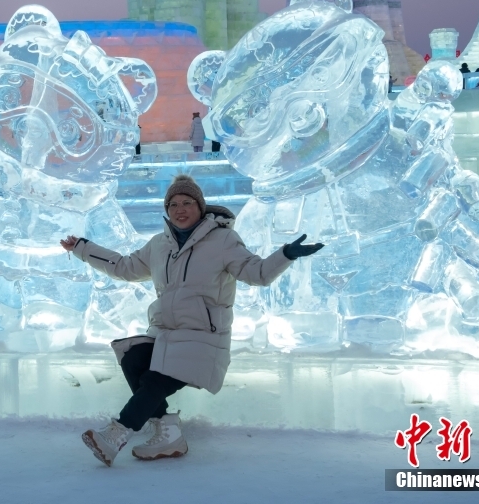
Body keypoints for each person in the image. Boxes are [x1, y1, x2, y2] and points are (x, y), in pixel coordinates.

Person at [60, 174, 324, 466]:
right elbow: (124, 266)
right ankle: (168, 432)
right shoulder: (159, 244)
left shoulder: (223, 240)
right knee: (133, 356)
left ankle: (115, 435)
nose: (179, 209)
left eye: (187, 202)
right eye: (173, 204)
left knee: (156, 378)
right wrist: (83, 248)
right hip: (165, 332)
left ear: (200, 207)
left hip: (203, 335)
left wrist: (285, 254)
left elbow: (256, 273)